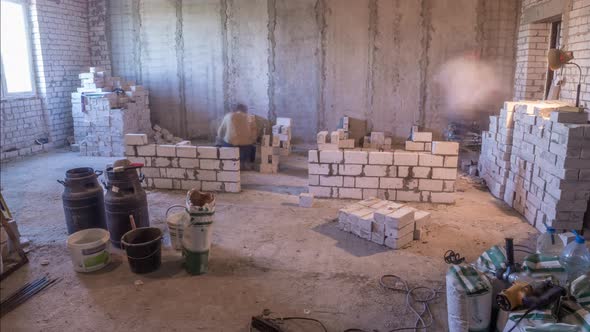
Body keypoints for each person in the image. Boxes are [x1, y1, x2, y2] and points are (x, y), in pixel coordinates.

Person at [216, 104, 258, 170]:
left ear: (235, 109)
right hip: (246, 146)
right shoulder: (251, 117)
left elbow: (220, 132)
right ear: (245, 110)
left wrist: (220, 139)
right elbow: (254, 134)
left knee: (220, 141)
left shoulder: (228, 116)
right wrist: (252, 141)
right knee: (251, 145)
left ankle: (229, 161)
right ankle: (246, 162)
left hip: (231, 144)